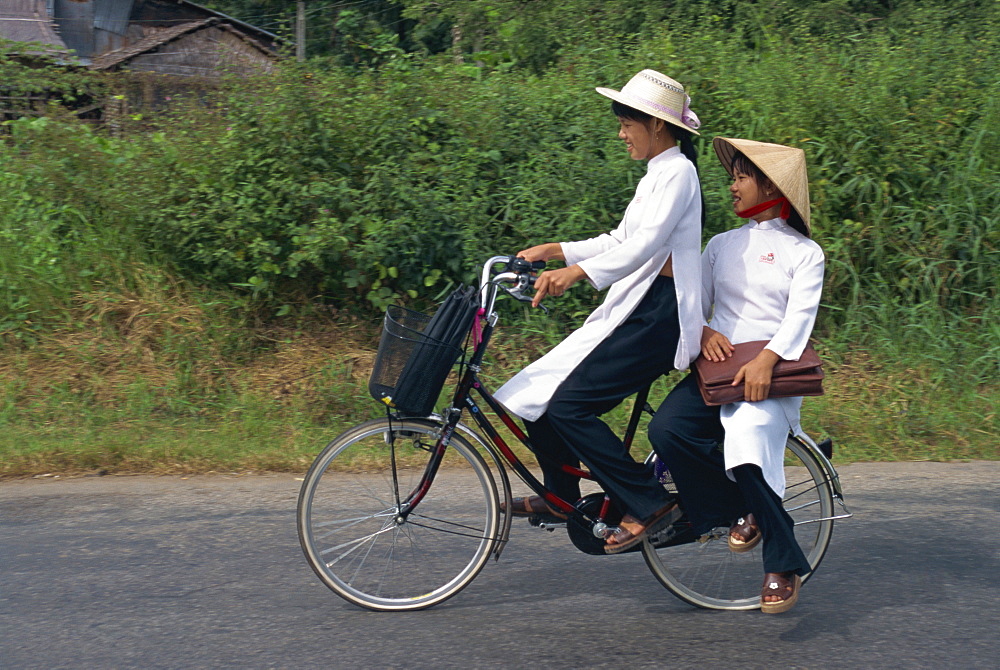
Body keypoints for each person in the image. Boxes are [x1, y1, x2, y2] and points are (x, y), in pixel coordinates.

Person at [494, 69, 705, 554]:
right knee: (535, 390)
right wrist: (554, 250)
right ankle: (560, 495)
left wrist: (576, 275)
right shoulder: (658, 175)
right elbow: (620, 240)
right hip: (637, 308)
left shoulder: (679, 173)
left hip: (659, 316)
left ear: (656, 125)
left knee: (570, 405)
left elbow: (646, 245)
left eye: (627, 122)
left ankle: (649, 503)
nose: (621, 133)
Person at [648, 137, 825, 612]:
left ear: (771, 185)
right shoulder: (721, 245)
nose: (732, 186)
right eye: (734, 177)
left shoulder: (806, 253)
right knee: (665, 429)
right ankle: (739, 510)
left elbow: (800, 318)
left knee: (747, 434)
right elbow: (694, 299)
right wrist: (703, 330)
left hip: (774, 373)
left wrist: (767, 359)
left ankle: (780, 564)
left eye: (741, 177)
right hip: (719, 373)